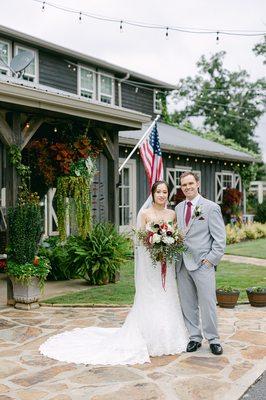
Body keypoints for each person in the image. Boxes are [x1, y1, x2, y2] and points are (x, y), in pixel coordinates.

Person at [39, 180, 188, 365]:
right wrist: (155, 243)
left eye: (165, 192)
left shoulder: (172, 214)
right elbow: (140, 241)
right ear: (152, 193)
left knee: (167, 294)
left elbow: (175, 236)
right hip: (151, 265)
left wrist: (167, 243)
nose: (162, 195)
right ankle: (149, 337)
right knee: (151, 295)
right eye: (159, 191)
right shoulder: (145, 214)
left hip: (166, 263)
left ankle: (169, 336)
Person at [175, 171, 226, 356]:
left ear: (198, 184)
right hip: (182, 264)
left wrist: (211, 260)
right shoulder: (179, 208)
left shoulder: (211, 207)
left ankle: (213, 339)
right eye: (184, 185)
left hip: (203, 264)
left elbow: (220, 240)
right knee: (188, 303)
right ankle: (195, 337)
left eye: (190, 183)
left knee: (208, 303)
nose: (187, 187)